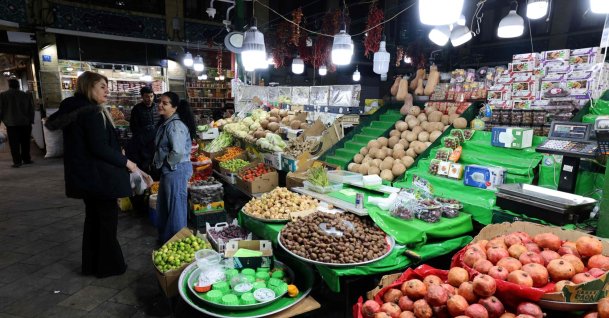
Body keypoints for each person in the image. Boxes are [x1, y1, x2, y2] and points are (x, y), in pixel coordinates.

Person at [45, 71, 138, 278]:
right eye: (102, 87)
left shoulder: (75, 109)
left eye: (108, 86)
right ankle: (109, 267)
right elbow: (99, 148)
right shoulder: (92, 112)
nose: (108, 91)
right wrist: (127, 162)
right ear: (89, 88)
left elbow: (92, 145)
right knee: (106, 223)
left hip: (85, 177)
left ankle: (91, 265)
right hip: (99, 178)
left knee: (93, 221)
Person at [153, 91, 195, 243]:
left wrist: (168, 164)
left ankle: (178, 241)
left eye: (165, 103)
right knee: (166, 205)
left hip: (176, 169)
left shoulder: (175, 125)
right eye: (160, 102)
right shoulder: (168, 122)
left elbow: (177, 151)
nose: (160, 105)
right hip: (172, 170)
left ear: (174, 107)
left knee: (176, 207)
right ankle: (167, 238)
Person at [0, 78, 35, 168]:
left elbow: (0, 110)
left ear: (9, 85)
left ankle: (17, 162)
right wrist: (31, 120)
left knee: (14, 144)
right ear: (18, 85)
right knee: (25, 142)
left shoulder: (3, 95)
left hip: (11, 124)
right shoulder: (25, 95)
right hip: (25, 123)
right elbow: (31, 109)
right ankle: (26, 159)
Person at [128, 86, 159, 176]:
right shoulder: (137, 109)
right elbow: (133, 127)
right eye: (146, 96)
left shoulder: (157, 107)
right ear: (142, 97)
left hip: (156, 142)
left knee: (156, 166)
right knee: (144, 166)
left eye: (151, 96)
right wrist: (141, 139)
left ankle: (156, 184)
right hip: (142, 144)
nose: (149, 99)